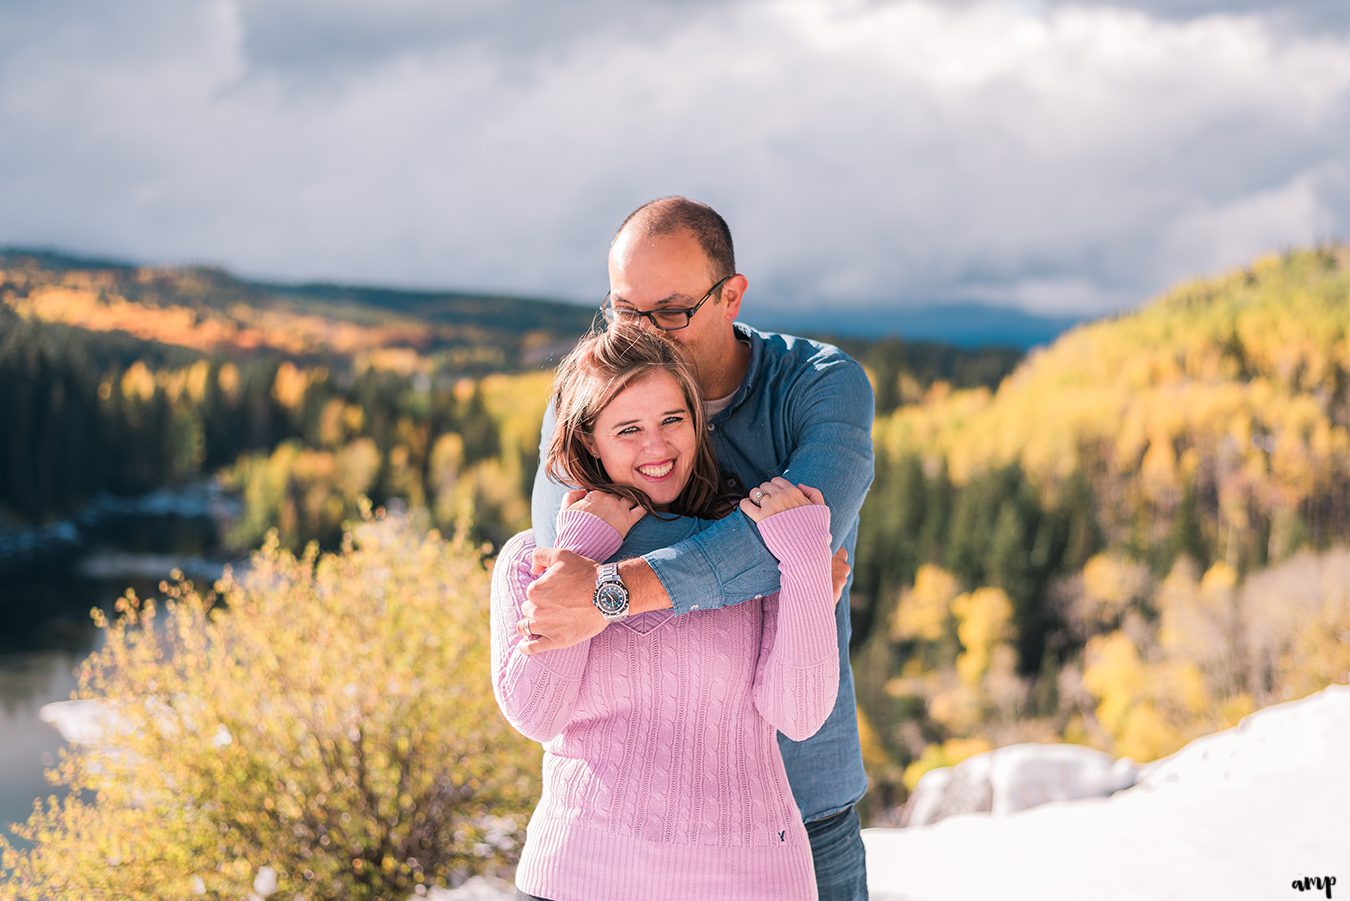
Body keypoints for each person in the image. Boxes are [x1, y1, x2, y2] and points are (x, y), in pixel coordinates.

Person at [525, 196, 875, 899]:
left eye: (672, 310)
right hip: (623, 824)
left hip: (804, 802)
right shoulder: (584, 396)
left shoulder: (820, 387)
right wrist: (784, 569)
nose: (645, 332)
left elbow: (594, 580)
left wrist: (612, 592)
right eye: (626, 311)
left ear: (731, 295)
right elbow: (561, 552)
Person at [491, 321, 840, 899]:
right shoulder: (531, 559)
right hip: (580, 878)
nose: (657, 447)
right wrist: (581, 551)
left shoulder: (748, 551)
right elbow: (537, 712)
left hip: (749, 882)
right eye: (628, 429)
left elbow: (798, 714)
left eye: (671, 420)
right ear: (587, 440)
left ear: (697, 423)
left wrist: (803, 561)